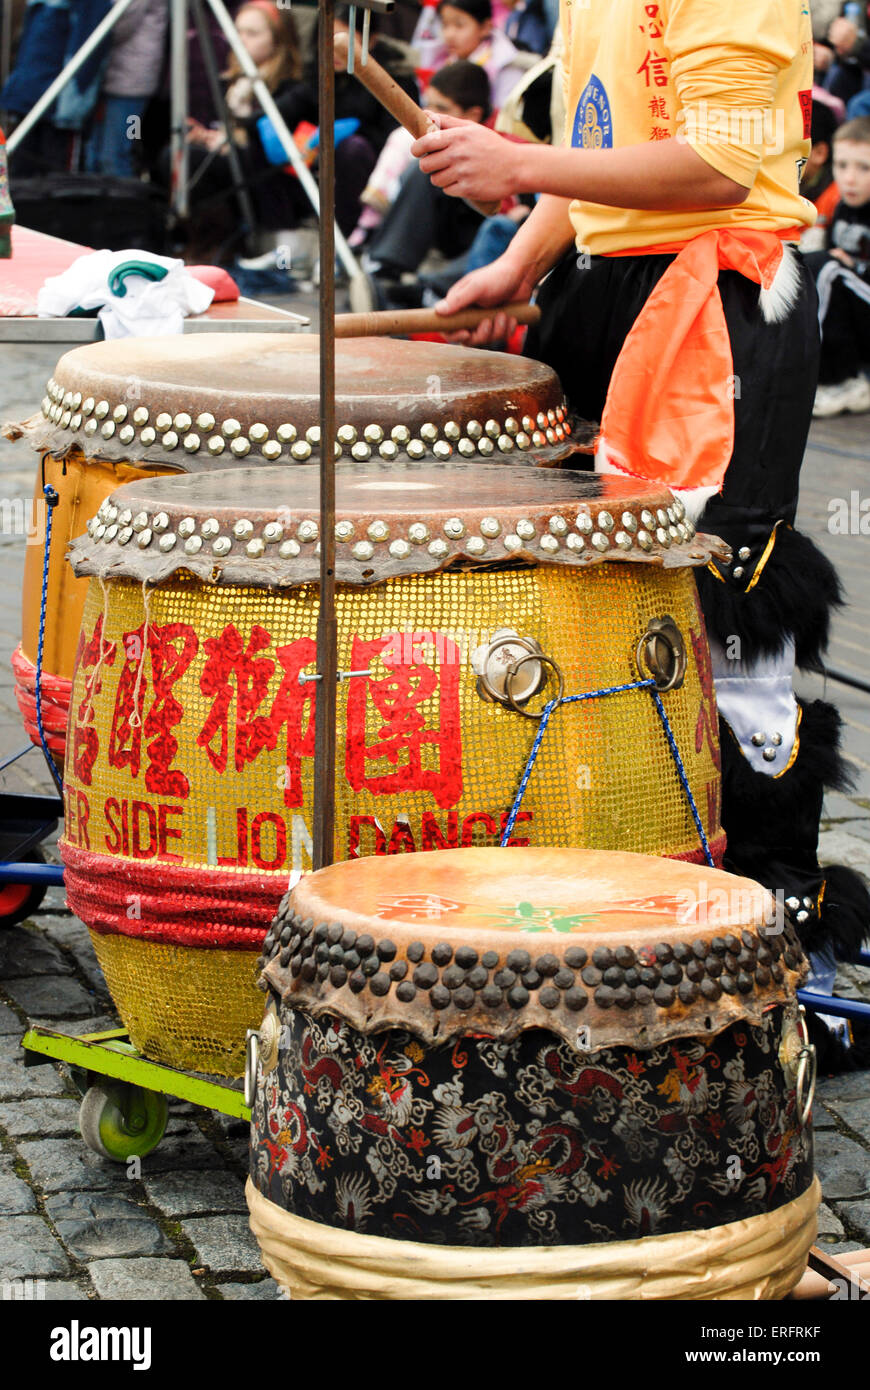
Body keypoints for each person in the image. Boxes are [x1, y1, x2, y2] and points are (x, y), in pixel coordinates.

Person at [410, 0, 870, 1043]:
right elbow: (609, 148)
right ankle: (621, 898)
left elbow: (716, 164)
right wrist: (521, 262)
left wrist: (518, 164)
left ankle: (779, 932)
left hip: (719, 305)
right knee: (594, 611)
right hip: (612, 287)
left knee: (731, 615)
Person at [354, 59, 493, 282]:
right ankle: (384, 265)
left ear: (473, 115)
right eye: (427, 105)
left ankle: (394, 273)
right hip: (444, 221)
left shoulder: (497, 140)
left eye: (441, 108)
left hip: (480, 227)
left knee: (429, 168)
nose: (430, 115)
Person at [805, 115, 870, 416]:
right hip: (854, 306)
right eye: (842, 166)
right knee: (813, 262)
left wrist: (849, 267)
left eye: (864, 168)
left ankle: (838, 379)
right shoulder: (843, 205)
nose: (850, 178)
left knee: (826, 268)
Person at [85, 0, 168, 179]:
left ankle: (126, 202)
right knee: (98, 153)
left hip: (132, 85)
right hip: (118, 77)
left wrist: (87, 30)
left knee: (117, 154)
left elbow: (121, 23)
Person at [437, 0, 531, 110]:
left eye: (459, 25)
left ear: (485, 27)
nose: (449, 34)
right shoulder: (448, 61)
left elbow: (506, 117)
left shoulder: (505, 66)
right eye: (445, 25)